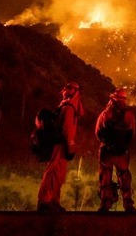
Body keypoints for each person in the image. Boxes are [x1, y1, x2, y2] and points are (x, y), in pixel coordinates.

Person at [37, 82, 84, 212]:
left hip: (59, 145)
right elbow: (67, 129)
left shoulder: (64, 106)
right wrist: (70, 146)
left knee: (58, 174)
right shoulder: (68, 108)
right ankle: (45, 201)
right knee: (54, 173)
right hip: (60, 146)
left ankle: (53, 201)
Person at [95, 87, 136, 212]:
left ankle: (105, 204)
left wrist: (107, 143)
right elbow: (131, 133)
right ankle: (128, 204)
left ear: (112, 99)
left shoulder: (105, 114)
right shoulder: (129, 115)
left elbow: (98, 132)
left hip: (107, 152)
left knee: (105, 178)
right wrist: (124, 145)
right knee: (124, 177)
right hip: (121, 152)